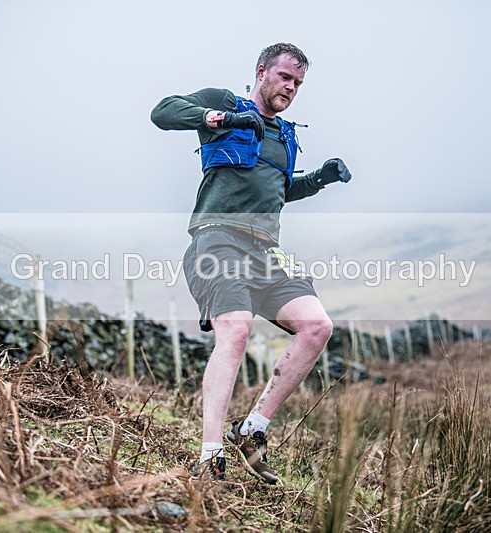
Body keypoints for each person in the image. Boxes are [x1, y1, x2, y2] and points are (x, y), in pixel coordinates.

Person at [150, 43, 351, 483]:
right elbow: (163, 110)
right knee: (236, 329)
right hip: (217, 238)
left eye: (298, 83)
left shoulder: (285, 136)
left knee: (318, 327)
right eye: (284, 78)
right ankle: (210, 454)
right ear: (262, 72)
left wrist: (318, 180)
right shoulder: (227, 104)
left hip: (265, 251)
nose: (291, 88)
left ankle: (253, 429)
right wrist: (216, 118)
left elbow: (278, 190)